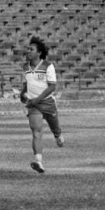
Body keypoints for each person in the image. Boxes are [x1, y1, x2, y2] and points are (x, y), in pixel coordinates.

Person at [21, 36, 64, 174]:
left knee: (55, 130)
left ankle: (58, 134)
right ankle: (38, 161)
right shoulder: (25, 67)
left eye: (31, 49)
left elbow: (52, 87)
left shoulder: (48, 66)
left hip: (47, 103)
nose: (28, 51)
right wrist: (23, 93)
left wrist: (38, 99)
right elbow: (26, 84)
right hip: (33, 104)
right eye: (27, 49)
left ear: (39, 53)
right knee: (36, 132)